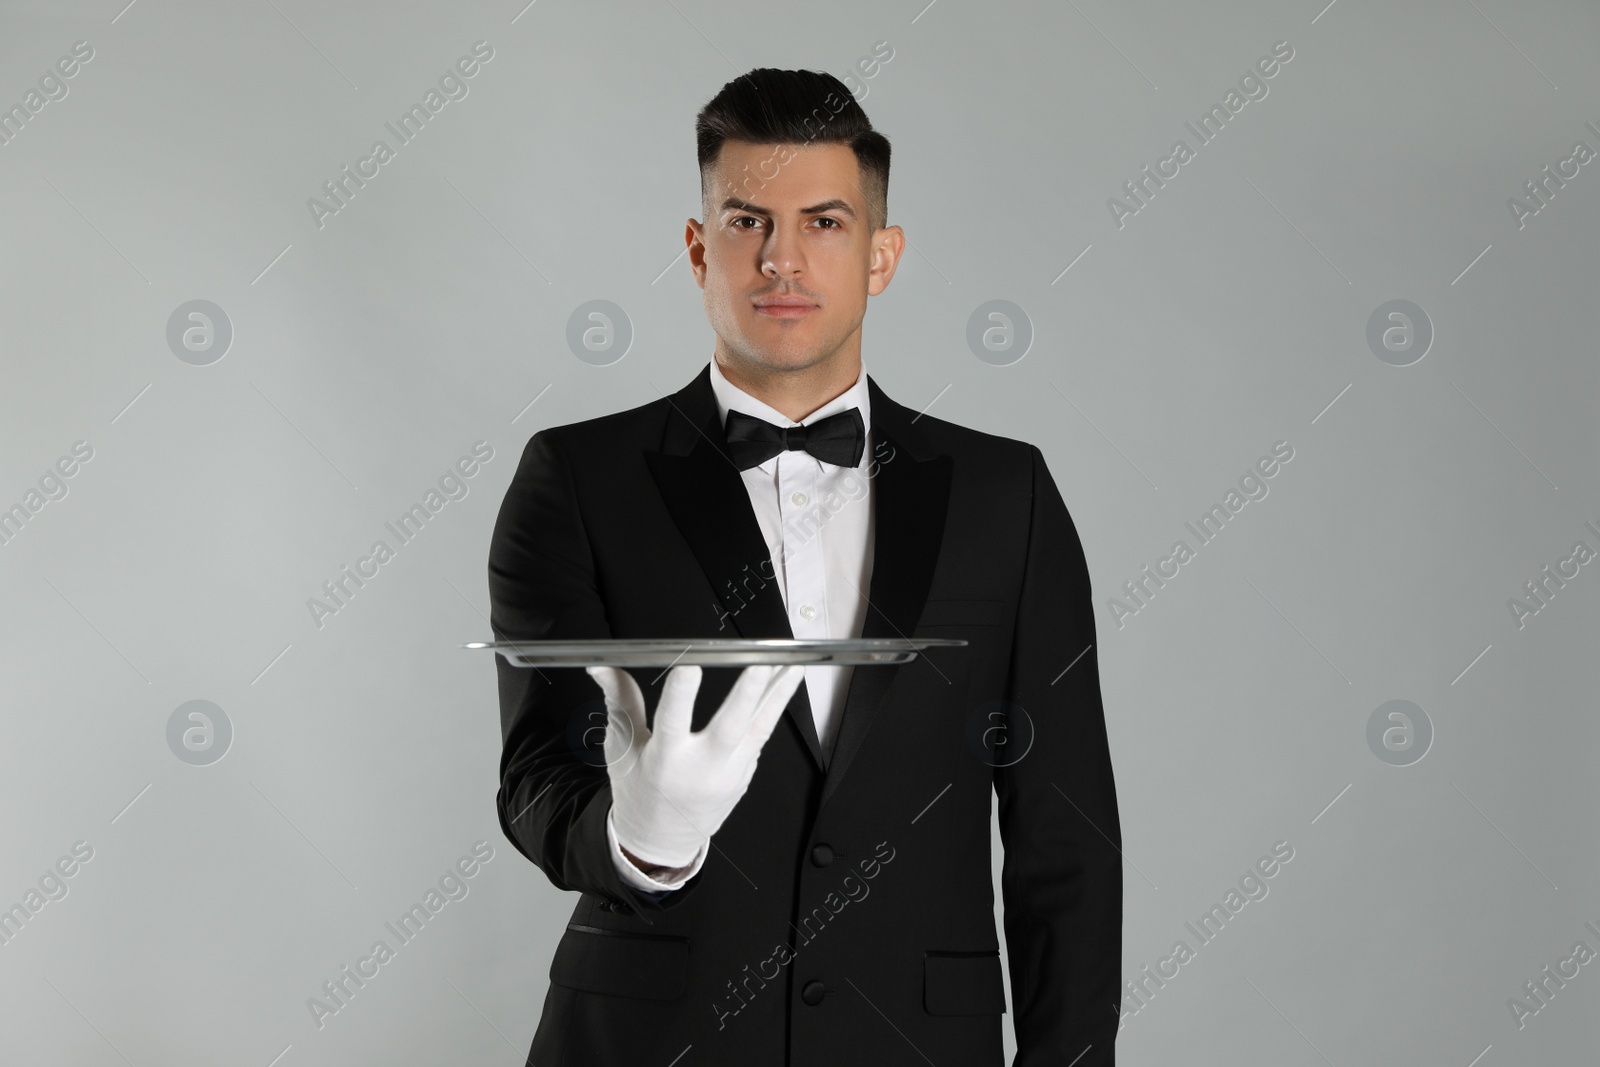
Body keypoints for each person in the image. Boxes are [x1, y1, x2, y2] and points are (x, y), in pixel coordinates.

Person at [488, 66, 1122, 1066]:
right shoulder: (575, 478)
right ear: (698, 250)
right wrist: (639, 836)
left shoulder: (1009, 494)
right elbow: (537, 776)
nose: (781, 258)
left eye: (823, 222)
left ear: (880, 255)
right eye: (747, 221)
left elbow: (1066, 842)